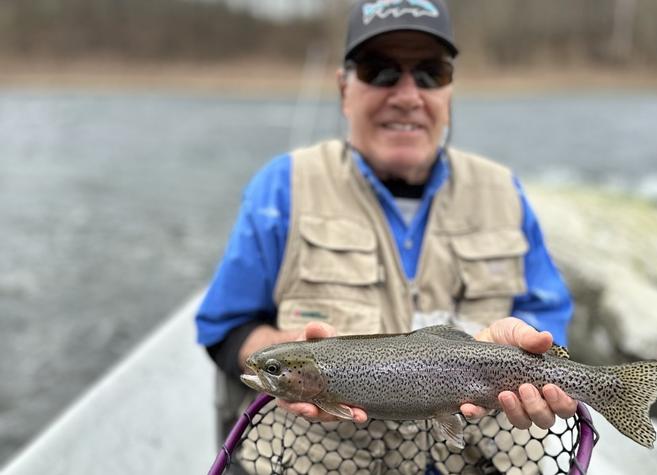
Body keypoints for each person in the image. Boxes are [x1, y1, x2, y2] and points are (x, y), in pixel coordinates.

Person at [196, 0, 577, 469]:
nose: (406, 94)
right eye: (379, 71)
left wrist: (529, 348)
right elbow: (225, 329)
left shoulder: (504, 192)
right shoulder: (282, 187)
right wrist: (275, 345)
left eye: (431, 73)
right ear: (344, 90)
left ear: (450, 90)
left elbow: (546, 317)